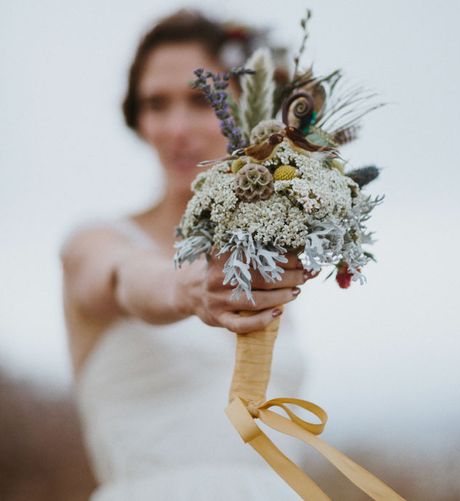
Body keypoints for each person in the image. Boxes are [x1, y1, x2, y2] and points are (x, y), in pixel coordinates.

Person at [61, 9, 319, 500]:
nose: (176, 127)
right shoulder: (93, 244)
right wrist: (185, 286)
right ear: (137, 118)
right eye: (156, 104)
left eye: (203, 101)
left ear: (250, 110)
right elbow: (124, 277)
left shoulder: (267, 264)